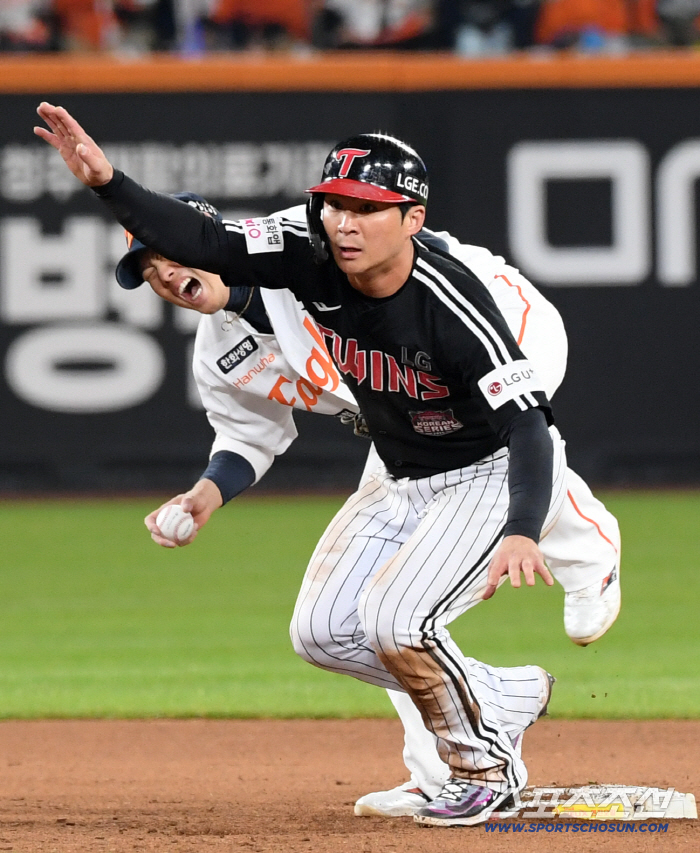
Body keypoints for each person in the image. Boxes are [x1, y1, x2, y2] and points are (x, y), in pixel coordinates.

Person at [35, 104, 608, 826]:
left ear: (410, 217)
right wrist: (108, 186)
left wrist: (522, 526)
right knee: (325, 631)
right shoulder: (293, 269)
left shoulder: (437, 299)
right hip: (402, 458)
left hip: (488, 439)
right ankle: (499, 695)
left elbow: (526, 422)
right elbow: (244, 415)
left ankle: (487, 762)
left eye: (365, 208)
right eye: (333, 205)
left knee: (399, 619)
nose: (344, 220)